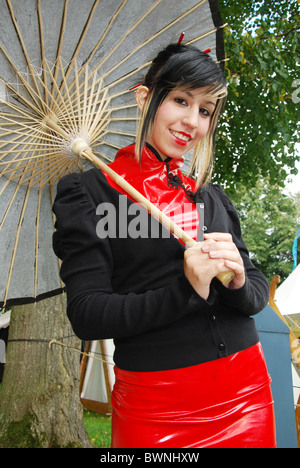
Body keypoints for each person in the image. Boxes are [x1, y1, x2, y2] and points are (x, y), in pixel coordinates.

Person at [52, 43, 276, 448]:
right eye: (180, 100)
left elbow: (257, 290)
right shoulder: (90, 196)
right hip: (157, 405)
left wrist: (239, 281)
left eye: (206, 110)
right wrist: (185, 290)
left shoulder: (209, 196)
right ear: (145, 98)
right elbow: (87, 314)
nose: (192, 120)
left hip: (247, 394)